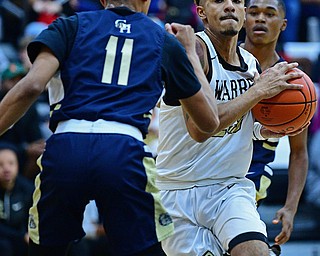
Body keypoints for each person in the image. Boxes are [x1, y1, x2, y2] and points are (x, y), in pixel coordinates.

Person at [0, 0, 220, 255]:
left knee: (46, 249)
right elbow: (208, 122)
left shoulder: (70, 26)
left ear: (103, 0)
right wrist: (190, 52)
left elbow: (32, 86)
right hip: (124, 149)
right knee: (147, 248)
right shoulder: (162, 39)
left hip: (66, 145)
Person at [156, 0, 305, 255]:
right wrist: (259, 90)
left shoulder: (250, 65)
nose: (229, 6)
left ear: (242, 11)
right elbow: (201, 129)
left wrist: (262, 131)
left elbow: (240, 121)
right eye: (218, 0)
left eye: (236, 1)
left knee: (255, 251)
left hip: (229, 189)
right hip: (176, 192)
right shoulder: (195, 53)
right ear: (201, 12)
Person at [242, 0, 309, 248]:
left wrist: (290, 207)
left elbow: (299, 152)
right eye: (254, 12)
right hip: (207, 171)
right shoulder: (219, 65)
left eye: (269, 14)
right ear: (242, 18)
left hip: (250, 182)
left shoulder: (295, 82)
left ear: (283, 24)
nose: (260, 19)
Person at [0, 62, 46, 180]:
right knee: (7, 157)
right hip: (6, 152)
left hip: (24, 155)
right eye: (12, 81)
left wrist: (38, 146)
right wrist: (25, 149)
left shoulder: (30, 108)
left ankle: (27, 191)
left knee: (41, 154)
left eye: (20, 81)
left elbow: (35, 136)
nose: (17, 85)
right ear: (3, 83)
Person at [0, 142, 34, 256]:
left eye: (11, 163)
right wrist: (21, 236)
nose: (6, 169)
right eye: (0, 164)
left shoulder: (28, 189)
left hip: (23, 240)